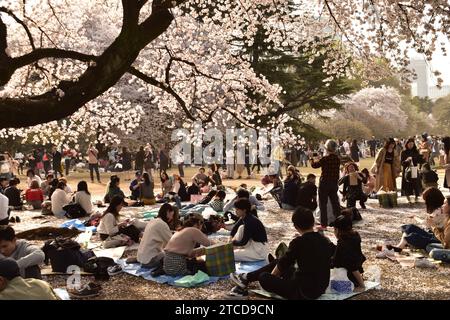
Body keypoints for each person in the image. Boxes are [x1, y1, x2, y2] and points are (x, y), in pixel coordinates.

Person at [229, 207, 334, 299]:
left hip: (303, 292)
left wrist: (272, 279)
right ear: (312, 223)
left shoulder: (298, 242)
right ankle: (246, 277)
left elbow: (282, 265)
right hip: (320, 288)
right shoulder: (324, 240)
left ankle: (246, 278)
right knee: (279, 261)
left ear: (295, 226)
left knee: (264, 277)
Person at [385, 187, 445, 254]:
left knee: (413, 236)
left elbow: (426, 224)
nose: (425, 202)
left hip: (438, 238)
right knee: (409, 227)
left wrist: (415, 217)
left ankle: (399, 247)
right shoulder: (440, 208)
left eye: (426, 200)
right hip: (434, 234)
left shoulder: (439, 211)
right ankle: (400, 246)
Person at [310, 139, 341, 230]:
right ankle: (339, 223)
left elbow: (314, 166)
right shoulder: (337, 159)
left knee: (323, 204)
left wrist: (311, 158)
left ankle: (324, 225)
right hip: (334, 183)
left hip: (325, 183)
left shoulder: (325, 159)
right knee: (335, 204)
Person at [329, 215, 366, 288]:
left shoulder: (343, 243)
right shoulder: (355, 236)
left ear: (337, 230)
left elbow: (352, 267)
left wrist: (362, 286)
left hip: (347, 278)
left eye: (334, 229)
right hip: (356, 271)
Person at [137, 203, 174, 270]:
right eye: (172, 215)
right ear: (168, 212)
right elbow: (172, 243)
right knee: (174, 255)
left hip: (141, 259)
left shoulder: (152, 221)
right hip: (149, 261)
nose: (172, 218)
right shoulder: (162, 224)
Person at [401, 138, 425, 204]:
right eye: (409, 144)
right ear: (407, 144)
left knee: (416, 183)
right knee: (407, 184)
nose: (411, 145)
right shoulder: (403, 152)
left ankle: (416, 198)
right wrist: (407, 160)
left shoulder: (416, 151)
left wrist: (423, 157)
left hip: (414, 169)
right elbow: (402, 163)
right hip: (406, 170)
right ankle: (408, 198)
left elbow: (420, 161)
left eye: (412, 144)